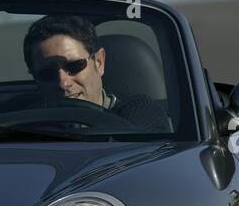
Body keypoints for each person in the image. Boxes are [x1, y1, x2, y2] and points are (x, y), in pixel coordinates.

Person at [22, 14, 169, 130]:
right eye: (47, 73)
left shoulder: (141, 114)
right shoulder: (23, 127)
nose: (63, 82)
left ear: (99, 62)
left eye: (74, 65)